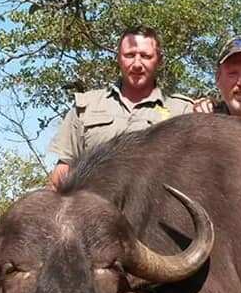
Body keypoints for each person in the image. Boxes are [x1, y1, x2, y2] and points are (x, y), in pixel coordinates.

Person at [46, 25, 194, 189]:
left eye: (146, 56)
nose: (137, 64)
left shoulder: (183, 111)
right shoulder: (87, 106)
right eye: (130, 55)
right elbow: (62, 172)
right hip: (91, 211)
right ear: (118, 58)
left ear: (159, 60)